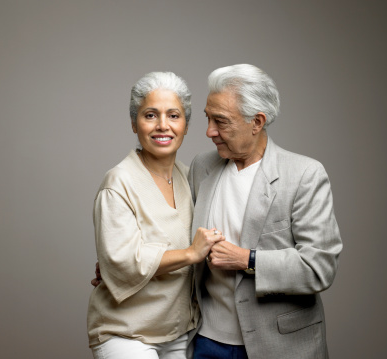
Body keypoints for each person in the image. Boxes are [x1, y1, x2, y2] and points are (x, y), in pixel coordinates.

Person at [93, 64, 342, 359]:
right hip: (206, 340)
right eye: (207, 119)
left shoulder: (304, 174)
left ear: (257, 121)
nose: (209, 131)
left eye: (220, 121)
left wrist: (246, 260)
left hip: (278, 344)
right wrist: (120, 266)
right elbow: (175, 232)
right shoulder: (202, 168)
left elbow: (319, 267)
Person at [87, 71, 225, 359]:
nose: (163, 126)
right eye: (150, 115)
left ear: (186, 124)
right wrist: (189, 254)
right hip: (125, 331)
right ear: (134, 124)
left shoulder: (191, 179)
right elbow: (122, 262)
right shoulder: (118, 183)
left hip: (179, 331)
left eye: (174, 115)